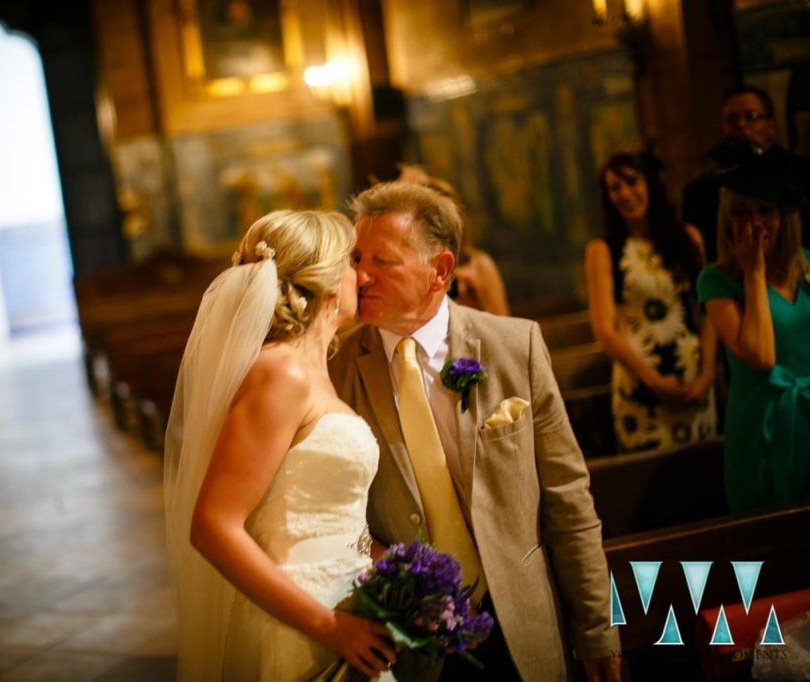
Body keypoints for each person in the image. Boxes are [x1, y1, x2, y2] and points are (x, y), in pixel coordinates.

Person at [330, 182, 620, 681]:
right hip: (406, 643)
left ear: (439, 270)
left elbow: (568, 502)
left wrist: (597, 629)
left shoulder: (515, 347)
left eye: (383, 261)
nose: (361, 276)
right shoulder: (335, 369)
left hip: (522, 624)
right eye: (357, 258)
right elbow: (334, 515)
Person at [164, 210, 396, 681]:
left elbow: (323, 509)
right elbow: (213, 525)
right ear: (328, 282)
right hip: (302, 625)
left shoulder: (314, 371)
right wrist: (330, 626)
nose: (363, 275)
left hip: (347, 608)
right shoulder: (282, 372)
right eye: (353, 261)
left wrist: (401, 569)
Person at [696, 143, 810, 513]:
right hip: (761, 428)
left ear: (784, 216)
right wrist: (754, 273)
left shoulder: (806, 266)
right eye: (742, 212)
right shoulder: (716, 280)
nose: (756, 223)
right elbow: (761, 356)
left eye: (766, 210)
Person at [585, 152, 717, 453]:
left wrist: (707, 374)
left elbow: (707, 310)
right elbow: (604, 331)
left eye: (632, 182)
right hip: (640, 384)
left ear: (650, 184)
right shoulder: (603, 250)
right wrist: (654, 380)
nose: (625, 194)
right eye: (615, 188)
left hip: (693, 379)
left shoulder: (688, 236)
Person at [683, 84, 810, 262]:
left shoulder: (801, 174)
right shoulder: (700, 192)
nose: (741, 124)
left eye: (752, 116)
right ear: (723, 127)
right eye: (732, 118)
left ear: (771, 125)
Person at [396, 165, 510, 315]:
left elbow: (504, 328)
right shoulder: (409, 269)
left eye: (450, 217)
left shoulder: (479, 265)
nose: (443, 227)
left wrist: (479, 301)